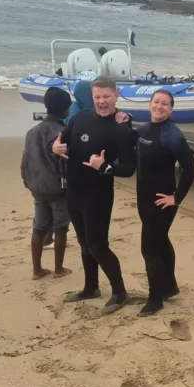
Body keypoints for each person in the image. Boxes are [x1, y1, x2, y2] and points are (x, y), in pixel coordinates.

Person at [52, 76, 138, 314]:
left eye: (106, 97)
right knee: (83, 242)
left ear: (116, 95)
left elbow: (129, 168)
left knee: (98, 245)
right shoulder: (80, 117)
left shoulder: (121, 128)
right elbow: (61, 140)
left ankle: (120, 293)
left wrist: (104, 167)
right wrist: (54, 147)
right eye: (97, 97)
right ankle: (91, 288)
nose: (102, 102)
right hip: (74, 192)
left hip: (98, 195)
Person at [135, 89, 194, 316]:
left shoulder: (172, 134)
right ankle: (169, 287)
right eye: (156, 102)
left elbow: (191, 168)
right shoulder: (143, 130)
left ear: (171, 109)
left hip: (162, 203)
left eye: (164, 104)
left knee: (149, 248)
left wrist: (176, 198)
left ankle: (155, 299)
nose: (159, 106)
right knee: (160, 242)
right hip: (143, 197)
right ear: (150, 104)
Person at [20, 87, 73, 280]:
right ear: (65, 109)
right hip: (58, 189)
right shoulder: (62, 133)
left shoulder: (31, 132)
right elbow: (66, 162)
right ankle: (58, 269)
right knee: (60, 227)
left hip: (38, 187)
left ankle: (37, 270)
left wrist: (28, 182)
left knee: (39, 227)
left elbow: (25, 161)